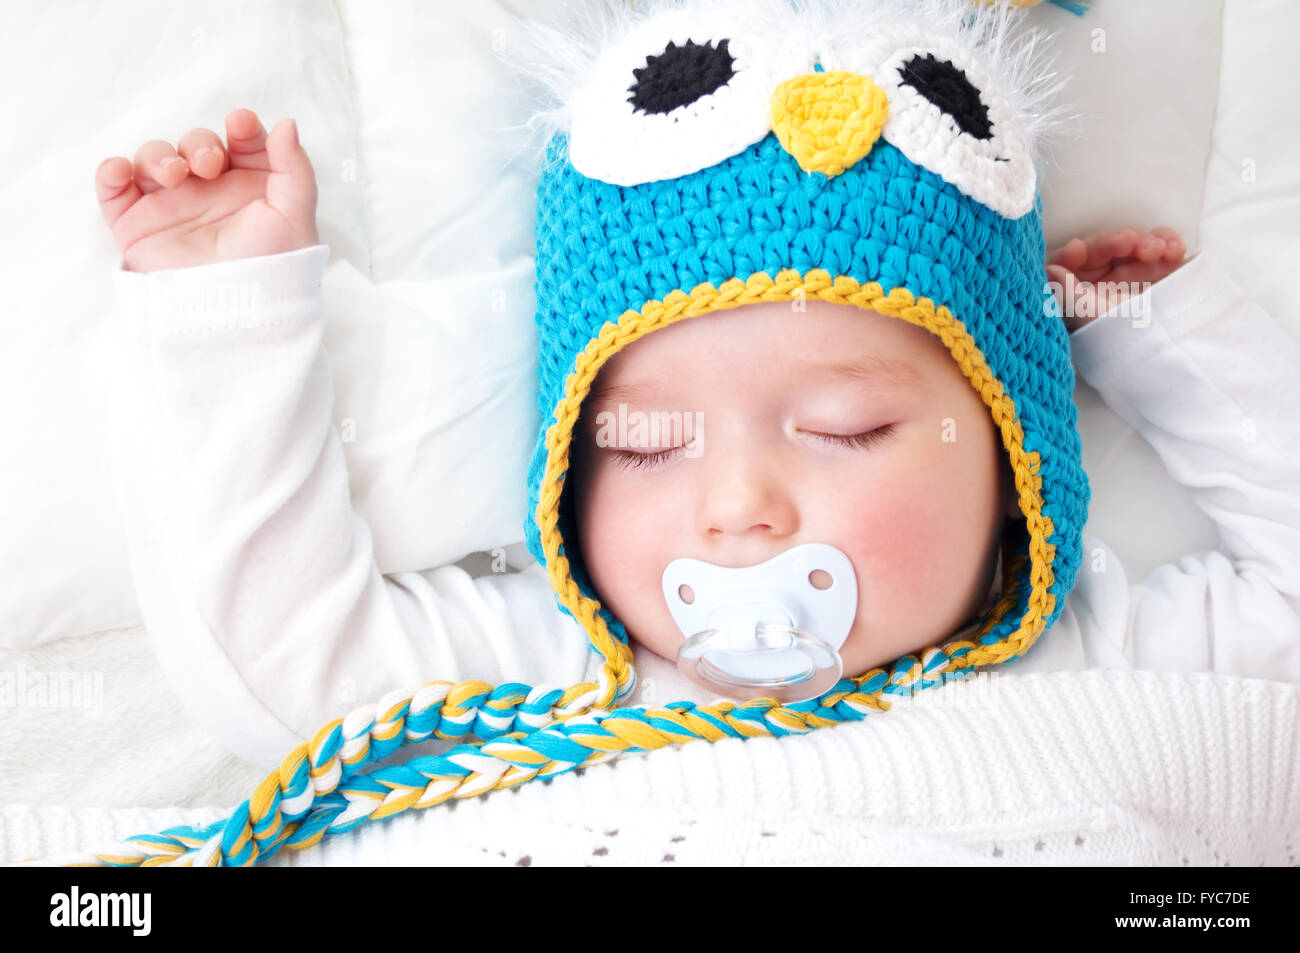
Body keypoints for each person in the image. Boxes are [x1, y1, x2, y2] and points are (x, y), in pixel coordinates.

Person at [94, 2, 1300, 772]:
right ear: (565, 460)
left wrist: (1167, 345)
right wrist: (225, 305)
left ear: (1013, 457)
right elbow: (283, 663)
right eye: (647, 443)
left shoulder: (1104, 658)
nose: (739, 506)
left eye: (847, 425)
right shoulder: (555, 678)